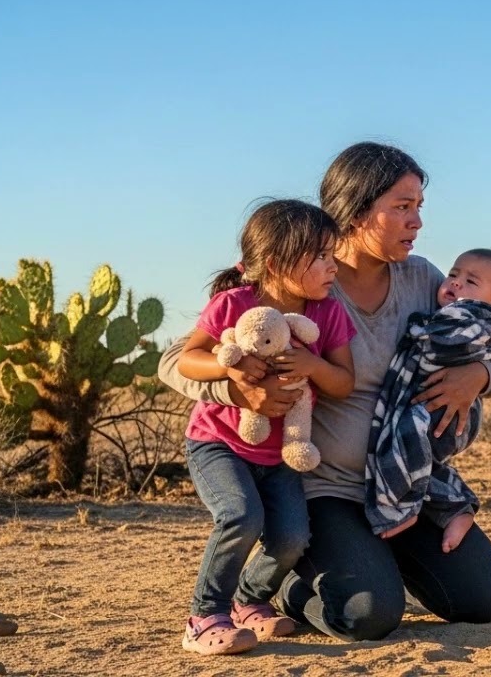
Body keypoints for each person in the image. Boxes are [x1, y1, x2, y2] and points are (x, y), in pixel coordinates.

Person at [159, 142, 491, 642]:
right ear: (355, 210)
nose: (416, 222)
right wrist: (237, 395)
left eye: (419, 208)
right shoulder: (301, 280)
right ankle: (291, 590)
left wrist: (480, 374)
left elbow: (483, 337)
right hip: (323, 490)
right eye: (402, 207)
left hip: (401, 485)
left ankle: (369, 561)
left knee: (486, 601)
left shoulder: (425, 279)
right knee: (367, 616)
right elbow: (175, 361)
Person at [176, 199, 357, 655]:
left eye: (332, 254)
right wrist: (231, 372)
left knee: (292, 536)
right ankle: (204, 616)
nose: (332, 266)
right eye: (320, 256)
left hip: (280, 454)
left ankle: (248, 603)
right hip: (218, 442)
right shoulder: (233, 304)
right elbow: (189, 358)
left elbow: (343, 382)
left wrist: (313, 364)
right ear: (276, 263)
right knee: (240, 516)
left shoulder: (327, 314)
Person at [366, 248, 491, 552]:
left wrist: (480, 373)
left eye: (470, 281)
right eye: (453, 274)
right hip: (426, 409)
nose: (456, 283)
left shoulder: (459, 308)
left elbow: (473, 346)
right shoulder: (323, 281)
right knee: (425, 462)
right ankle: (456, 506)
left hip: (441, 409)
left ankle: (403, 505)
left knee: (407, 448)